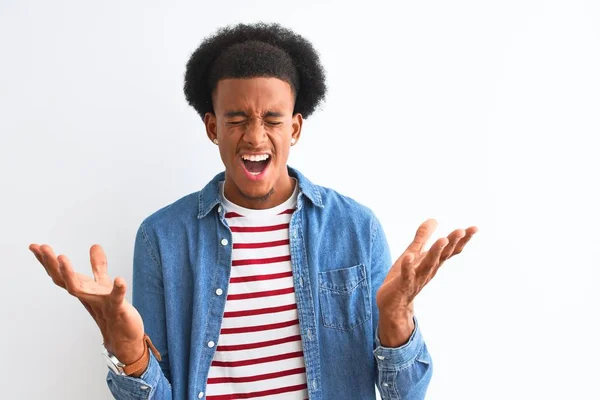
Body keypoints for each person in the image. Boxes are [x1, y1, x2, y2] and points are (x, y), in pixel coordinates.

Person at [29, 22, 477, 400]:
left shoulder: (355, 229)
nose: (255, 137)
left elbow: (407, 392)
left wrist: (396, 318)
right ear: (212, 127)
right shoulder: (161, 239)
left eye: (273, 119)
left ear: (295, 127)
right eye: (237, 118)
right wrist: (129, 354)